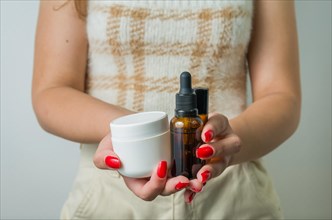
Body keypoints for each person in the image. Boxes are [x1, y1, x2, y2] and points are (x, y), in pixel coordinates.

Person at [32, 0, 301, 219]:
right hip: (109, 192)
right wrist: (134, 133)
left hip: (234, 192)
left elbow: (282, 96)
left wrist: (224, 148)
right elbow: (51, 92)